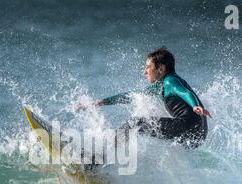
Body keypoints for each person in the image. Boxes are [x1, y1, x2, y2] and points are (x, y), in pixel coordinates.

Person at [79, 47, 211, 149]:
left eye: (148, 67)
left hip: (188, 127)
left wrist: (195, 105)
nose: (144, 72)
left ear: (161, 68)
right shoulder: (162, 84)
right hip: (198, 135)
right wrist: (102, 102)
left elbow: (184, 93)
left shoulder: (170, 81)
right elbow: (131, 96)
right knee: (149, 130)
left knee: (136, 123)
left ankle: (100, 156)